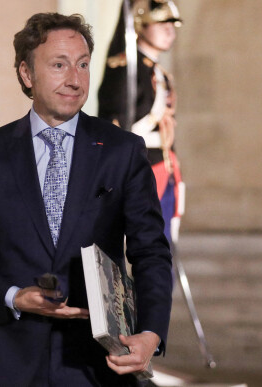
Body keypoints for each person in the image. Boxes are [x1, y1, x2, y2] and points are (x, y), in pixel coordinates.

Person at [0, 12, 173, 386]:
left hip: (100, 367)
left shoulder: (122, 151)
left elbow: (152, 253)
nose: (75, 79)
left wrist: (151, 333)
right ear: (27, 74)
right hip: (12, 363)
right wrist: (13, 296)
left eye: (82, 65)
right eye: (59, 65)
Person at [98, 0, 184, 248]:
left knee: (162, 247)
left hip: (163, 167)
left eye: (173, 24)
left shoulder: (159, 73)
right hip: (139, 168)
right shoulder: (125, 68)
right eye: (162, 22)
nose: (170, 30)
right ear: (141, 25)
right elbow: (114, 126)